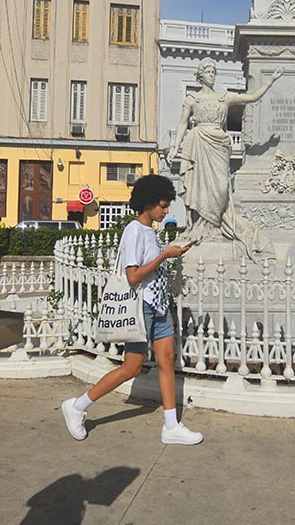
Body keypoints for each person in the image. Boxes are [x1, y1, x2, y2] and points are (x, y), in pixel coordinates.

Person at [61, 175, 201, 446]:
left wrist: (172, 253)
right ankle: (78, 406)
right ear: (148, 203)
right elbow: (133, 276)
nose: (166, 210)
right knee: (132, 367)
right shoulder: (134, 230)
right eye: (162, 205)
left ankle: (171, 425)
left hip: (158, 305)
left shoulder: (151, 231)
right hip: (141, 307)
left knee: (167, 360)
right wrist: (164, 256)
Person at [166, 58, 283, 260]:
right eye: (208, 71)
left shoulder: (224, 97)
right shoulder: (192, 99)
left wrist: (270, 81)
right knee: (200, 187)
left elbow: (251, 98)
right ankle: (203, 227)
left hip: (219, 145)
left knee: (221, 189)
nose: (212, 74)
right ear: (200, 75)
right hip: (199, 143)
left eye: (214, 71)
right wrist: (175, 147)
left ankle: (216, 224)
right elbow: (182, 123)